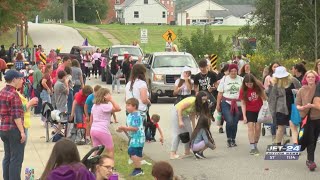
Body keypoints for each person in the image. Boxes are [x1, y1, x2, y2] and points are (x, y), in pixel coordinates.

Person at [0, 70, 25, 180]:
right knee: (16, 159)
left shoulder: (2, 92)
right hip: (14, 129)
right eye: (20, 79)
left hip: (3, 129)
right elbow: (16, 116)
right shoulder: (14, 94)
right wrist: (22, 132)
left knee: (8, 157)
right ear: (14, 80)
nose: (21, 81)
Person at [170, 91, 210, 159]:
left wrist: (194, 127)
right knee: (178, 133)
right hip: (177, 113)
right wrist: (180, 120)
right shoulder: (192, 101)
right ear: (199, 98)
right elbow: (180, 109)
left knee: (189, 133)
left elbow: (192, 115)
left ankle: (187, 152)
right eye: (203, 99)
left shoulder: (198, 104)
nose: (204, 101)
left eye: (205, 100)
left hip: (184, 115)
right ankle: (172, 153)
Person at [268, 66, 301, 146]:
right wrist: (272, 112)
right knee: (281, 127)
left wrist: (297, 92)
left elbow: (301, 91)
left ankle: (296, 145)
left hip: (293, 107)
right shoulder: (275, 84)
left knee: (293, 126)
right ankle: (278, 145)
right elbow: (272, 99)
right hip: (281, 108)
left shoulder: (293, 81)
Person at [216, 63, 243, 147]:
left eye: (235, 71)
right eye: (231, 71)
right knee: (230, 120)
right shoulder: (224, 79)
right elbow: (220, 93)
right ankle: (228, 138)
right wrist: (218, 104)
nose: (233, 72)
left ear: (237, 71)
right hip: (226, 102)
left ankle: (233, 139)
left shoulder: (241, 79)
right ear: (229, 71)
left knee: (235, 122)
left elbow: (245, 92)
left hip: (238, 103)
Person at [117, 98, 145, 176]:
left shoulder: (136, 116)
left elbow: (135, 128)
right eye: (126, 105)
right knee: (137, 153)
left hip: (138, 137)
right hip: (135, 137)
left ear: (134, 106)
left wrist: (124, 128)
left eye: (128, 105)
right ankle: (139, 169)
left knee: (132, 151)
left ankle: (138, 170)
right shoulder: (130, 115)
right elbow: (130, 128)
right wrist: (123, 129)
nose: (126, 107)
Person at [239, 74, 266, 155]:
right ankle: (252, 147)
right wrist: (244, 116)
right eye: (247, 84)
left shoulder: (258, 87)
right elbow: (243, 103)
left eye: (250, 84)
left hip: (259, 110)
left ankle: (255, 144)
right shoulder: (243, 90)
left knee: (258, 128)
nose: (249, 86)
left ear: (254, 82)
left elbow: (264, 98)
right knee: (250, 127)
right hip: (249, 110)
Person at [90, 88, 121, 159]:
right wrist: (111, 100)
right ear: (104, 96)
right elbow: (118, 108)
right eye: (109, 94)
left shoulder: (94, 106)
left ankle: (94, 167)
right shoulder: (105, 106)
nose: (110, 95)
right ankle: (111, 166)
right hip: (102, 130)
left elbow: (91, 118)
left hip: (93, 129)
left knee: (96, 151)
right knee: (110, 150)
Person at [296, 71, 320, 150]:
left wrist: (312, 105)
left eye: (313, 77)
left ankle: (310, 157)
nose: (310, 78)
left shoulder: (318, 90)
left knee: (314, 138)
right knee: (309, 138)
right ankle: (310, 159)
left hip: (317, 117)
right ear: (305, 78)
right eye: (308, 77)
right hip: (305, 117)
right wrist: (301, 108)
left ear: (316, 79)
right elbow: (297, 104)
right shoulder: (301, 90)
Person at [305, 77, 320, 171]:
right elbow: (317, 101)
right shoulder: (318, 85)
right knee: (312, 139)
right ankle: (310, 160)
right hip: (314, 117)